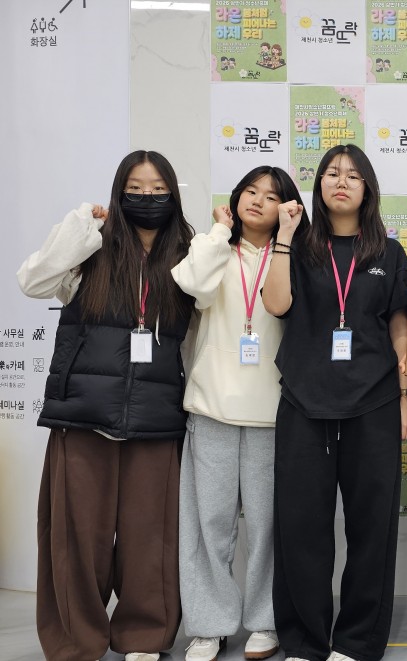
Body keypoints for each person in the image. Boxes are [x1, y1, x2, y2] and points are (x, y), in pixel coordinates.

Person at [18, 150, 194, 661]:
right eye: (135, 189)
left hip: (157, 417)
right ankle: (76, 640)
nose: (147, 197)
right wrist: (79, 228)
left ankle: (145, 635)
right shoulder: (90, 247)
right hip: (83, 415)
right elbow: (33, 282)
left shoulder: (187, 254)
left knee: (151, 536)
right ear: (118, 193)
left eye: (157, 188)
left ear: (173, 194)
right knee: (76, 537)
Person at [261, 144, 407, 661]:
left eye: (352, 175)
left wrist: (404, 396)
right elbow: (276, 304)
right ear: (319, 184)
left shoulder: (388, 253)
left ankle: (356, 642)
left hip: (373, 402)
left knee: (372, 529)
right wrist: (284, 237)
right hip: (304, 402)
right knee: (301, 528)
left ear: (368, 188)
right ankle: (304, 642)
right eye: (331, 173)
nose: (341, 182)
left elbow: (399, 326)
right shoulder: (299, 245)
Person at [171, 166, 308, 661]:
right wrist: (218, 231)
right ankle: (209, 625)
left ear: (286, 207)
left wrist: (287, 239)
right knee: (208, 524)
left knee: (270, 526)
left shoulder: (292, 255)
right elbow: (191, 285)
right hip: (212, 407)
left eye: (271, 196)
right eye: (251, 191)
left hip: (274, 412)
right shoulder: (213, 249)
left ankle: (266, 620)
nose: (258, 201)